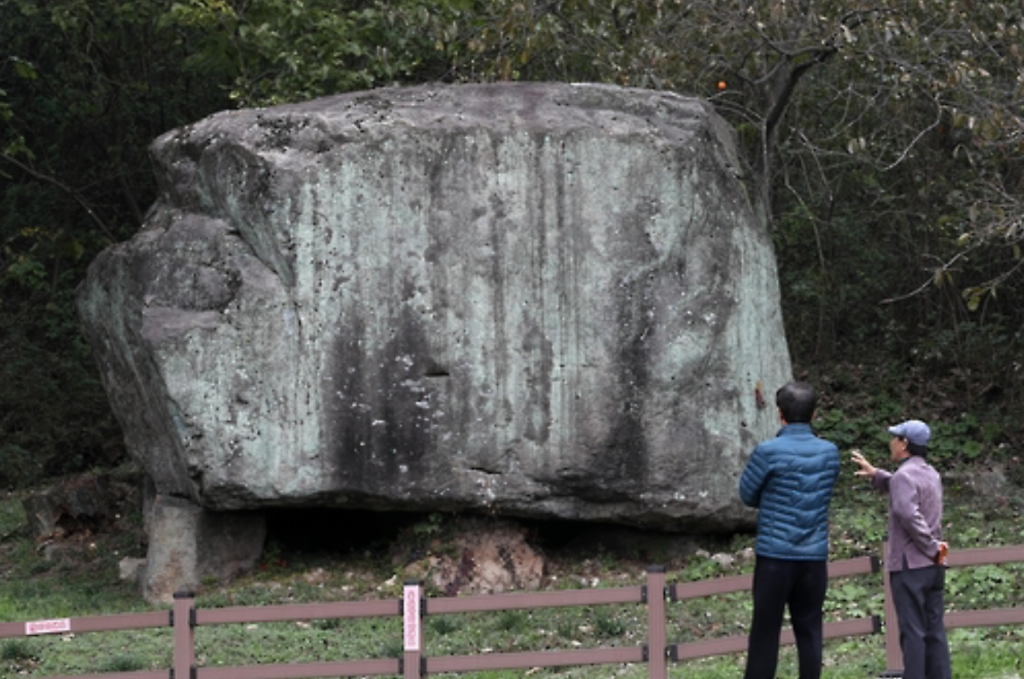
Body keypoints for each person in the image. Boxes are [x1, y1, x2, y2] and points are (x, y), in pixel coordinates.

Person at [739, 381, 841, 679]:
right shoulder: (829, 453)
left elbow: (747, 495)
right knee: (810, 631)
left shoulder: (767, 451)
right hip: (813, 556)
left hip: (774, 557)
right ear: (813, 414)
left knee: (764, 635)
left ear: (779, 413)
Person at [850, 419, 951, 679]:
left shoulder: (904, 476)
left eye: (895, 437)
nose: (891, 442)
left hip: (910, 565)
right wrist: (877, 474)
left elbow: (908, 513)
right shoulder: (930, 473)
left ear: (904, 444)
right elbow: (901, 486)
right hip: (934, 565)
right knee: (934, 629)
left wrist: (928, 546)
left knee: (913, 631)